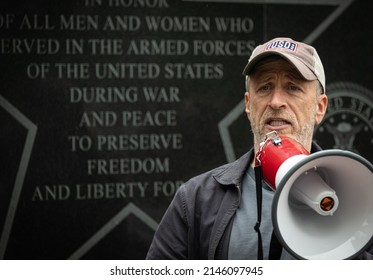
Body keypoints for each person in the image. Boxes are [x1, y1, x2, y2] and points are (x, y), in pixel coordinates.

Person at [146, 37, 373, 260]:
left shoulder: (362, 200)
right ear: (248, 104)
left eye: (292, 87)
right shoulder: (196, 199)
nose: (275, 101)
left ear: (320, 108)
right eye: (265, 87)